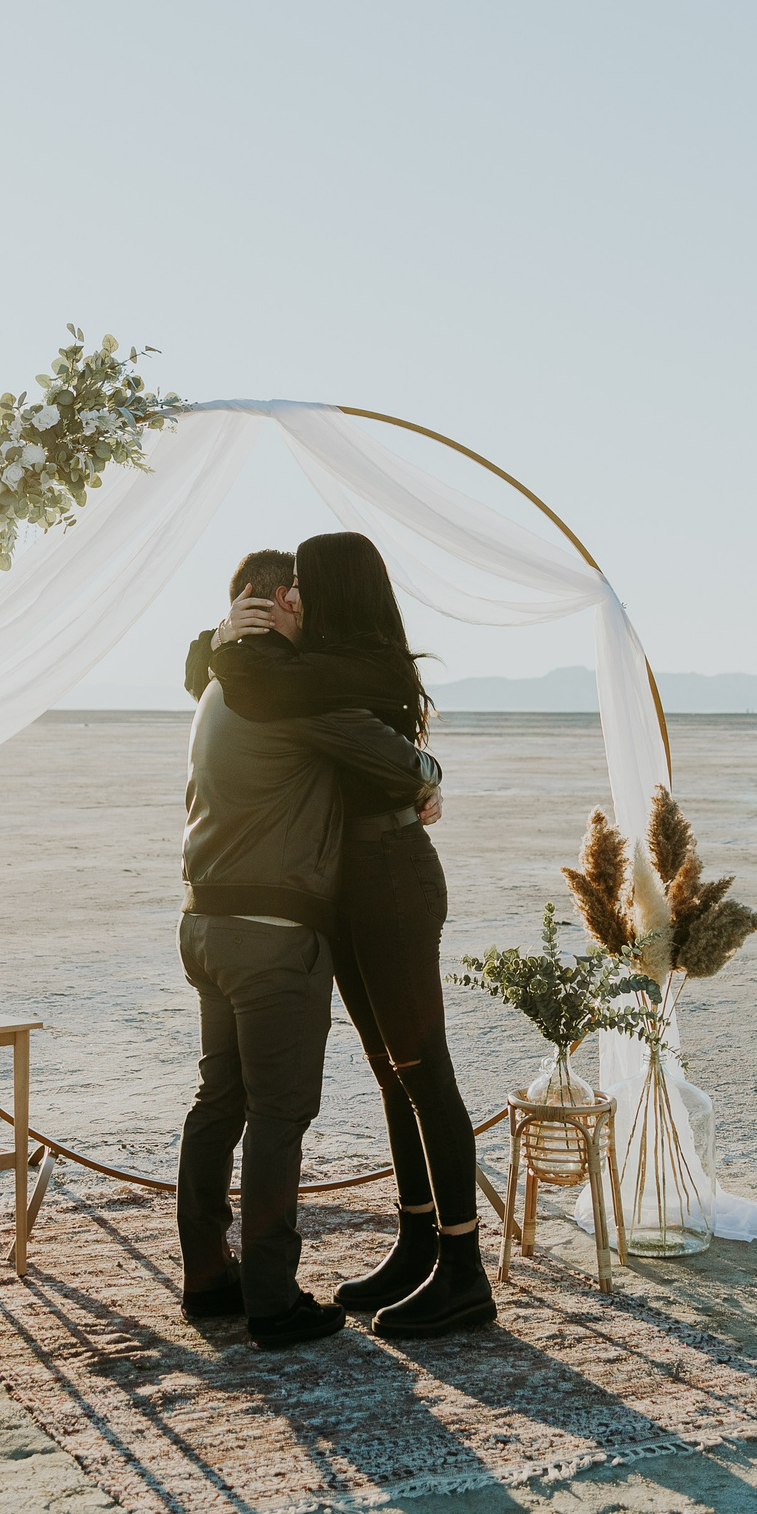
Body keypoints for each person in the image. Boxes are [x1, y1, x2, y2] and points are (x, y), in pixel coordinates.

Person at [181, 531, 496, 1339]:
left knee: (423, 1074)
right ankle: (418, 1236)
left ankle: (461, 1269)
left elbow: (369, 743)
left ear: (333, 593)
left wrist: (427, 775)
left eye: (302, 590)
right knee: (393, 1075)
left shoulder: (329, 680)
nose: (292, 602)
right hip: (343, 889)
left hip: (388, 878)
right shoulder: (298, 675)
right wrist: (215, 640)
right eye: (281, 595)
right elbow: (231, 679)